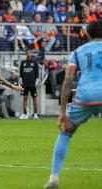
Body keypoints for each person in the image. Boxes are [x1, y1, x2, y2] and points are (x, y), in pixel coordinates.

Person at [44, 20, 102, 188]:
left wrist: (62, 110)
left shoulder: (78, 52)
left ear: (88, 35)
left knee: (65, 133)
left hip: (85, 97)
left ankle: (54, 177)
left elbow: (68, 80)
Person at [19, 49, 39, 119]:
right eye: (27, 53)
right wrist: (21, 82)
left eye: (30, 53)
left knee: (34, 98)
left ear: (32, 54)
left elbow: (37, 73)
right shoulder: (23, 63)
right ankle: (25, 113)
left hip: (32, 84)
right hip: (25, 84)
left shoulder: (35, 62)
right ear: (26, 54)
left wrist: (36, 81)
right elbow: (21, 74)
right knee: (25, 98)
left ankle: (35, 114)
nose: (29, 54)